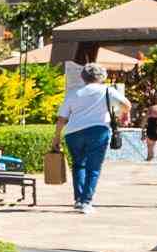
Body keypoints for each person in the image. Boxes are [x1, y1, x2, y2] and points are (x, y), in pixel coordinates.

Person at [48, 61, 130, 216]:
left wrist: (56, 138)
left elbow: (61, 119)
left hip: (73, 133)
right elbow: (127, 105)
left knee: (78, 165)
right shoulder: (107, 90)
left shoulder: (73, 93)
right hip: (98, 131)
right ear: (102, 76)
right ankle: (86, 202)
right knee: (94, 168)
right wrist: (118, 112)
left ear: (83, 76)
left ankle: (79, 199)